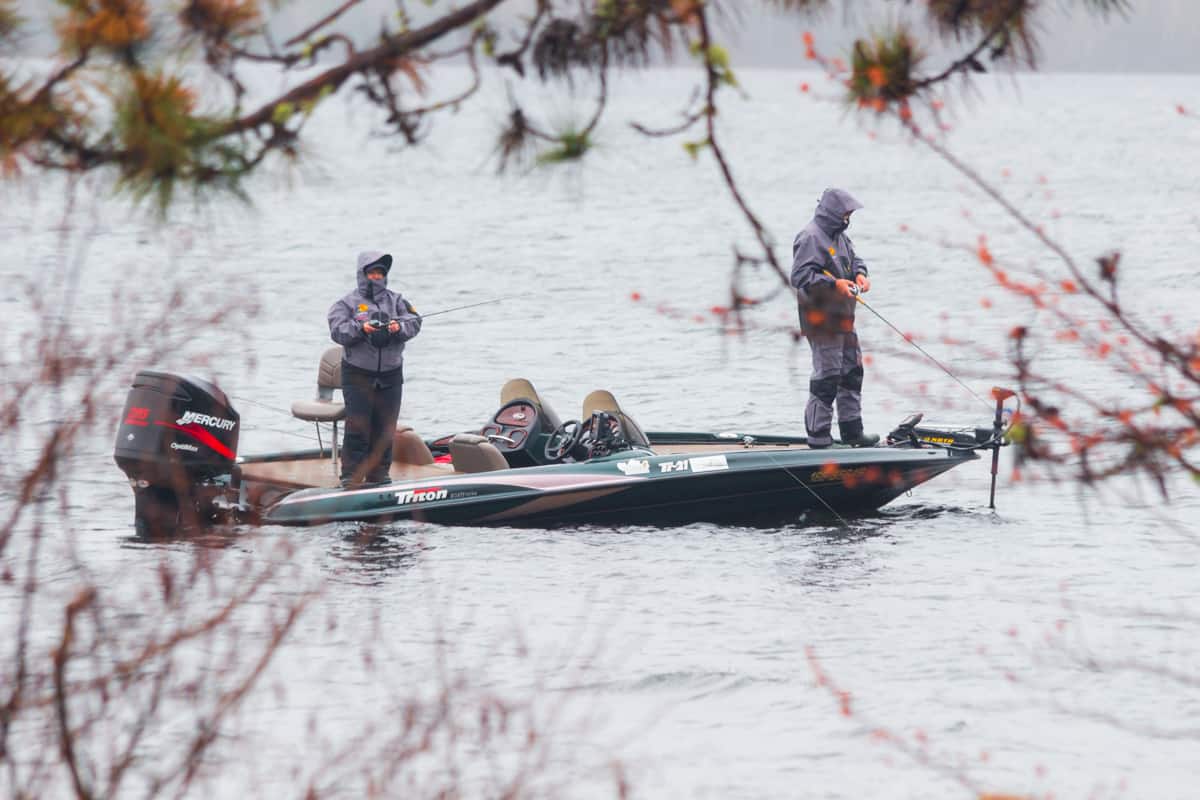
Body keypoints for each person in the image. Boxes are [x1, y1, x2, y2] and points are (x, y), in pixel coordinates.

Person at [789, 188, 880, 449]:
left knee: (852, 371)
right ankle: (818, 437)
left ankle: (853, 432)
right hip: (821, 320)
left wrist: (861, 275)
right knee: (827, 376)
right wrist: (834, 284)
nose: (848, 218)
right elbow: (800, 276)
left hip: (844, 317)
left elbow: (855, 260)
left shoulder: (841, 237)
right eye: (846, 213)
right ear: (833, 212)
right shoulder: (809, 237)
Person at [327, 251, 423, 486]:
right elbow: (338, 330)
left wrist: (396, 327)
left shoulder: (398, 300)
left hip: (391, 375)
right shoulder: (345, 304)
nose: (376, 277)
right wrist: (362, 328)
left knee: (385, 427)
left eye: (380, 272)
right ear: (362, 274)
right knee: (358, 426)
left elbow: (415, 322)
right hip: (357, 373)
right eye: (372, 272)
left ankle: (380, 474)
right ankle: (351, 475)